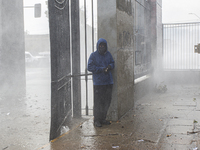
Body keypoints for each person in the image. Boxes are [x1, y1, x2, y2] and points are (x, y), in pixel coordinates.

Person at [88, 38, 115, 127]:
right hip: (99, 83)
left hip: (108, 82)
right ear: (98, 46)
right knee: (98, 103)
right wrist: (101, 69)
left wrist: (109, 66)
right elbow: (90, 67)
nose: (102, 47)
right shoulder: (93, 55)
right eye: (100, 46)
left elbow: (112, 63)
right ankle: (97, 120)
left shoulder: (108, 55)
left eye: (103, 46)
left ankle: (103, 118)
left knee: (106, 102)